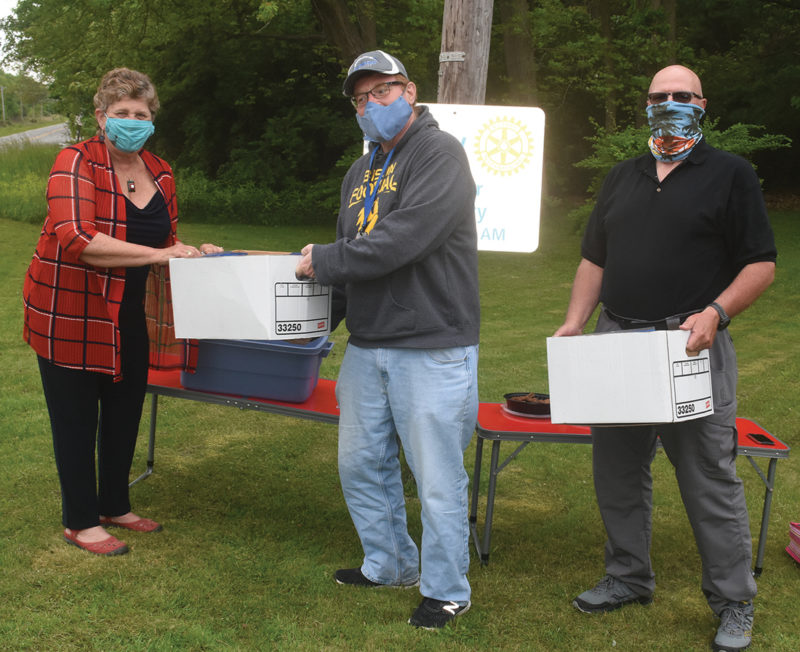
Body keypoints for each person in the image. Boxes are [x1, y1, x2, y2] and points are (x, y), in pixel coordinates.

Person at [554, 65, 776, 652]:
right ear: (645, 104)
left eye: (682, 96)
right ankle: (628, 578)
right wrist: (576, 322)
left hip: (689, 345)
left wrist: (717, 313)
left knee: (709, 479)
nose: (670, 103)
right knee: (618, 474)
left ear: (703, 103)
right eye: (659, 96)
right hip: (617, 341)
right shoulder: (622, 176)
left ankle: (734, 602)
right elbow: (593, 260)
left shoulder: (730, 174)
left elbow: (761, 263)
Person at [295, 50, 480, 629]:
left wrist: (320, 261)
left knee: (437, 476)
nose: (371, 104)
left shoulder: (439, 153)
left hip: (431, 342)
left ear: (410, 90)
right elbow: (352, 262)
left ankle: (447, 587)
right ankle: (390, 563)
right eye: (360, 97)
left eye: (383, 91)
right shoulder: (360, 171)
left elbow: (403, 240)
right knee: (360, 465)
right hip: (369, 343)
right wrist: (318, 323)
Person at [23, 68, 222, 556]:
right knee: (74, 418)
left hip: (129, 311)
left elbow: (166, 240)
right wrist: (159, 255)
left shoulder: (162, 171)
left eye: (141, 114)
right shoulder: (74, 161)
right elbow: (76, 238)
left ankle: (115, 503)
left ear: (152, 119)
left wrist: (194, 252)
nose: (131, 121)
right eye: (121, 114)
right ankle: (80, 521)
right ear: (101, 117)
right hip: (69, 309)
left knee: (124, 411)